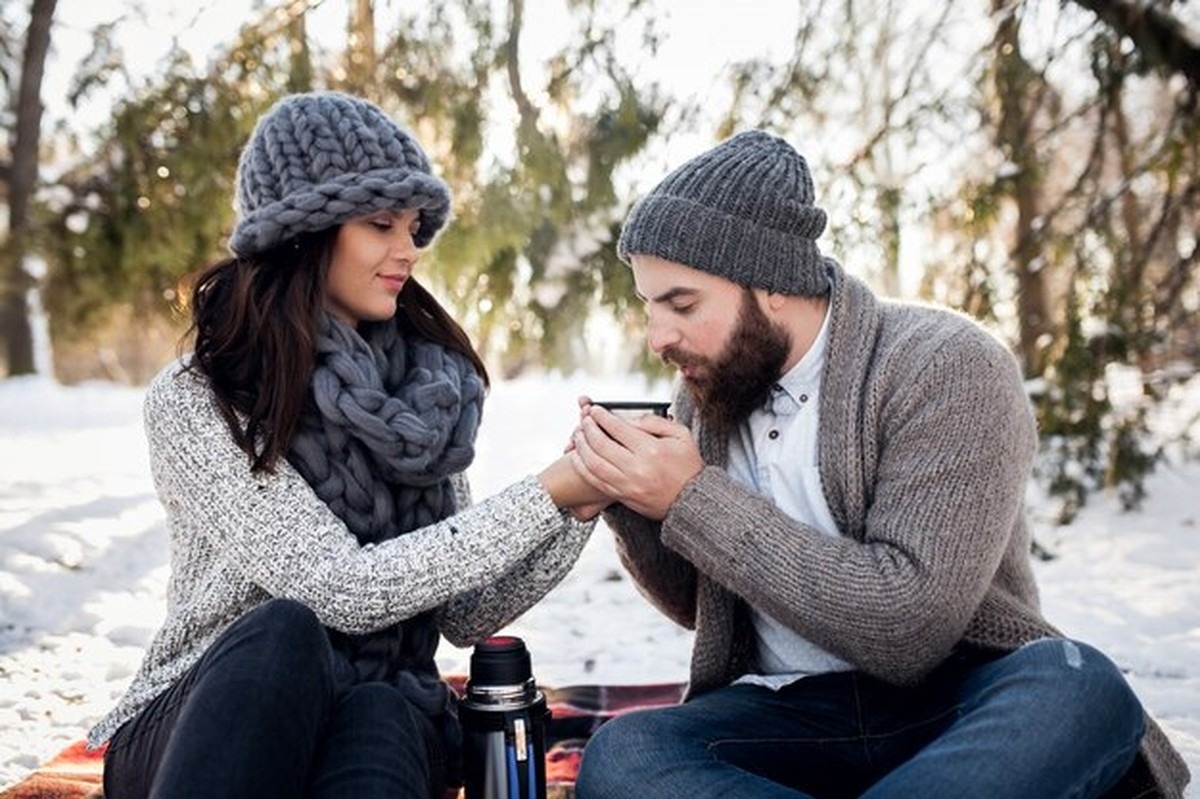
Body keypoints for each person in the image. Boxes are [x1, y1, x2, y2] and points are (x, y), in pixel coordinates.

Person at [568, 131, 1190, 798]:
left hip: (953, 701)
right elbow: (702, 606)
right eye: (648, 305)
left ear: (773, 284)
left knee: (1078, 686)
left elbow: (908, 628)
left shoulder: (946, 364)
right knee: (626, 754)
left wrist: (692, 498)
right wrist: (632, 504)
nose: (658, 336)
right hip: (789, 715)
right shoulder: (707, 393)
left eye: (681, 303)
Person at [86, 91, 604, 799]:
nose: (408, 250)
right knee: (285, 634)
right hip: (204, 719)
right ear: (302, 232)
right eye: (381, 223)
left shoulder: (426, 391)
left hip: (370, 707)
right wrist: (549, 489)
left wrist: (582, 501)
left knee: (386, 705)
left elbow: (463, 613)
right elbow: (339, 589)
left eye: (415, 227)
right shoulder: (198, 397)